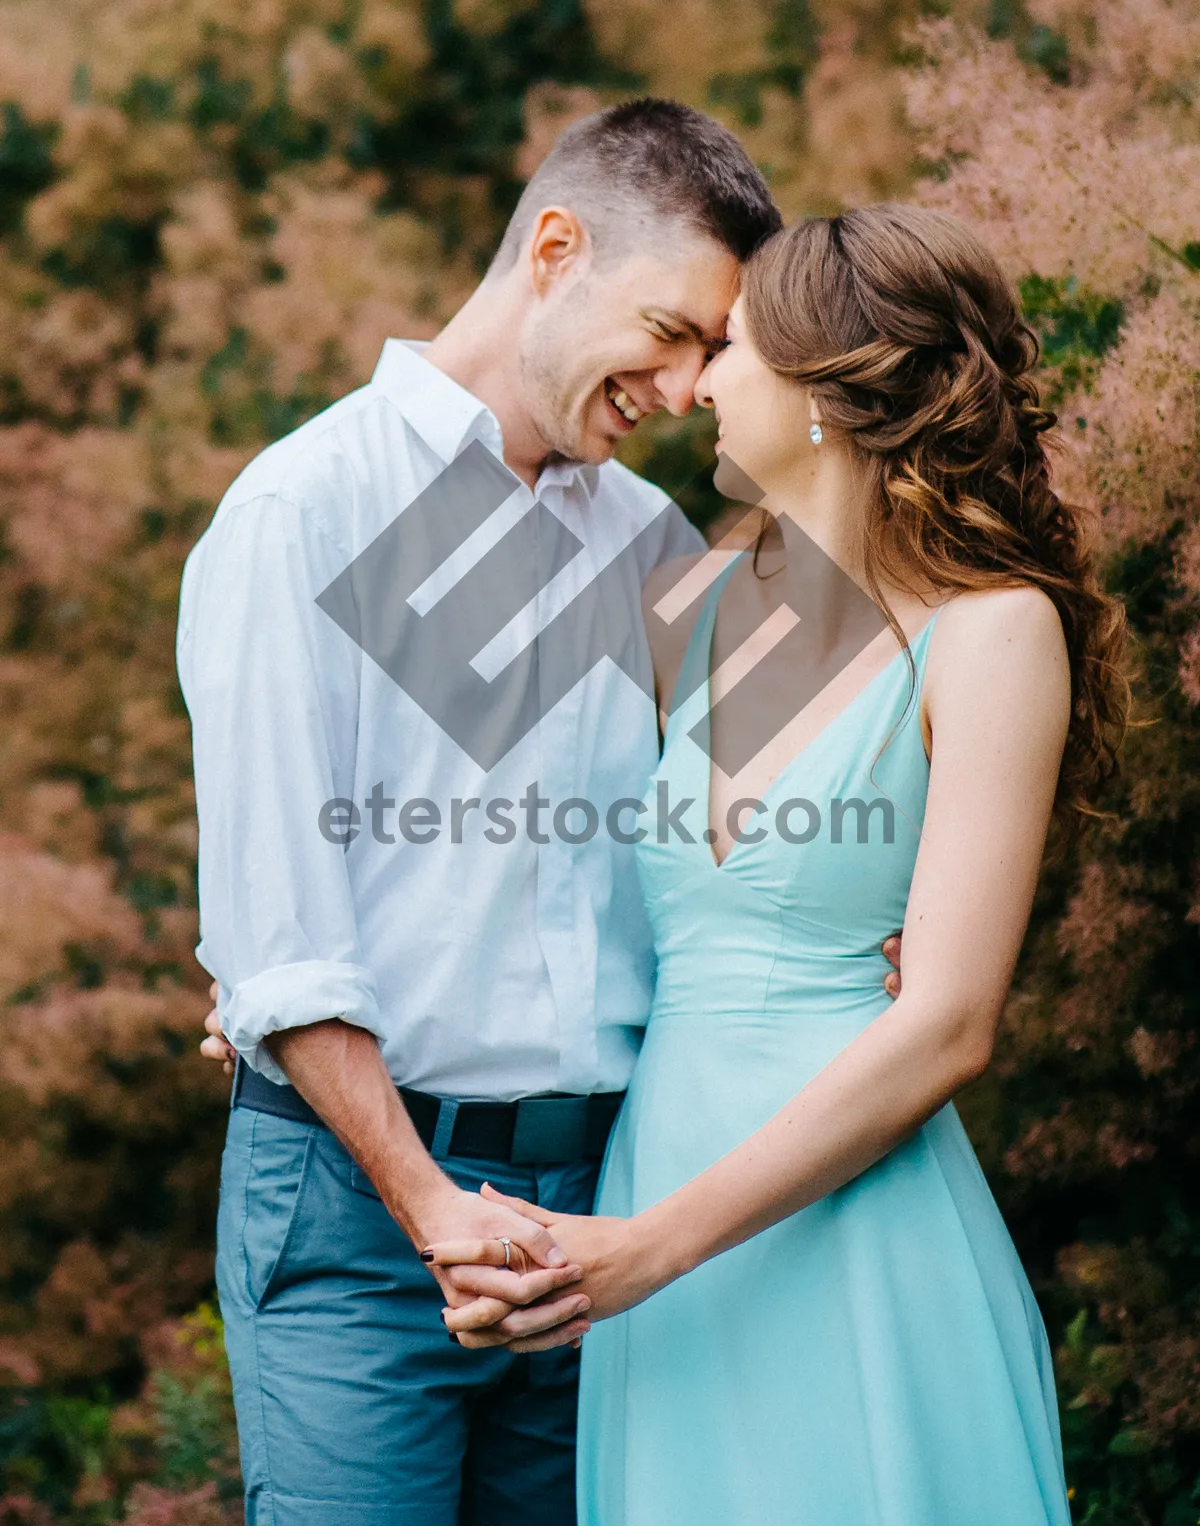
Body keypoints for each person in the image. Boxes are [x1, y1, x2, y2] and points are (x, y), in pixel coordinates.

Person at [180, 100, 908, 1526]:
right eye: (674, 330)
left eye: (715, 352)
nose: (692, 383)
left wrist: (884, 935)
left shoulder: (645, 544)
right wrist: (427, 1200)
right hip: (360, 1209)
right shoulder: (305, 512)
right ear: (556, 250)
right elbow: (279, 929)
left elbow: (768, 832)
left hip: (610, 1204)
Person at [427, 204, 1128, 1525]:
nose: (694, 387)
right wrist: (272, 960)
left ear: (826, 390)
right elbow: (480, 819)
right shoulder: (683, 614)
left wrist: (649, 1249)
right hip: (653, 1206)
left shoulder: (991, 635)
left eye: (733, 349)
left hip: (845, 1221)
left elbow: (951, 1025)